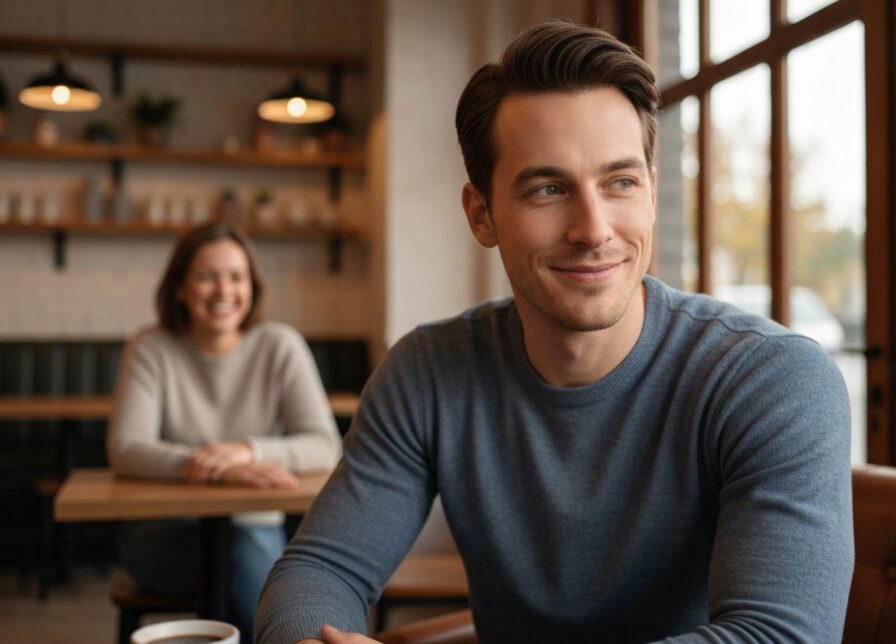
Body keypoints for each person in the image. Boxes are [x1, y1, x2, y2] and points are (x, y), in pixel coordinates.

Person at [255, 21, 853, 644]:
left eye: (620, 181)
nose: (593, 229)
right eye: (548, 188)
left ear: (651, 192)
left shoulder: (771, 379)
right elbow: (318, 570)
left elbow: (780, 635)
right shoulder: (429, 373)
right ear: (482, 214)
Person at [107, 222, 342, 642]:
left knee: (253, 551)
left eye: (237, 277)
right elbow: (126, 447)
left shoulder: (280, 345)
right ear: (179, 287)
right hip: (162, 536)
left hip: (256, 530)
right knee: (253, 563)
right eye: (205, 276)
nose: (223, 291)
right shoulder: (150, 346)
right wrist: (219, 469)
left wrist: (245, 451)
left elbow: (326, 445)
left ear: (252, 286)